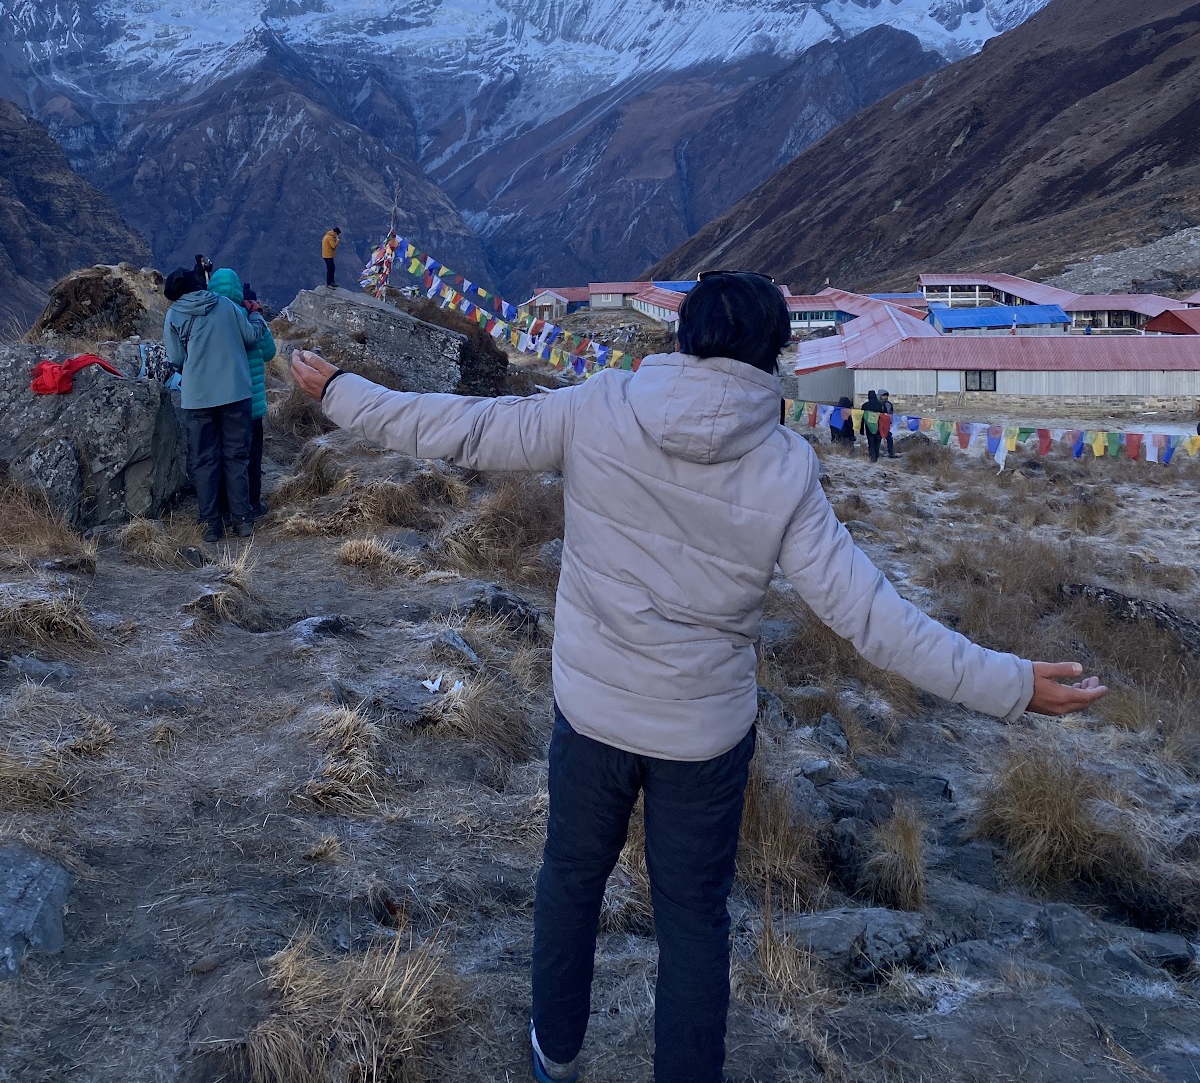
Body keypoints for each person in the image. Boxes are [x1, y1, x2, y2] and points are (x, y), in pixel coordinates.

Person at [289, 272, 1104, 1083]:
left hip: (593, 713)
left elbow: (462, 428)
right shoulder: (784, 466)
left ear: (684, 340)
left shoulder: (597, 406)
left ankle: (555, 1055)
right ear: (770, 355)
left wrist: (346, 396)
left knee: (571, 882)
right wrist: (1008, 682)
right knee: (692, 924)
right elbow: (872, 619)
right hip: (703, 743)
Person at [163, 266, 268, 542]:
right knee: (237, 456)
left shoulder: (174, 314)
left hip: (198, 398)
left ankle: (210, 524)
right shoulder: (225, 305)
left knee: (204, 459)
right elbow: (250, 337)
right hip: (236, 392)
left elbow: (174, 357)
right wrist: (257, 317)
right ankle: (243, 520)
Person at [207, 269, 276, 518]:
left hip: (221, 400)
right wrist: (257, 316)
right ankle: (253, 504)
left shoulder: (212, 317)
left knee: (224, 454)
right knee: (252, 456)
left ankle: (225, 507)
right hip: (252, 402)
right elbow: (269, 353)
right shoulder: (250, 317)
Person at [862, 389, 884, 462]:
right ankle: (876, 456)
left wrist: (861, 429)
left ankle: (872, 457)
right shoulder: (881, 405)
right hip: (879, 426)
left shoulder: (865, 405)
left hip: (869, 427)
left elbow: (862, 418)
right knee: (877, 442)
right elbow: (886, 416)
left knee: (871, 442)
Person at [880, 389, 896, 457]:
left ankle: (891, 453)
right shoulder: (877, 403)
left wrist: (891, 421)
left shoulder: (889, 404)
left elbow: (891, 413)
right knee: (878, 439)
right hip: (879, 423)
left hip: (886, 424)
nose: (885, 397)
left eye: (886, 395)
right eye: (884, 395)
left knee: (889, 438)